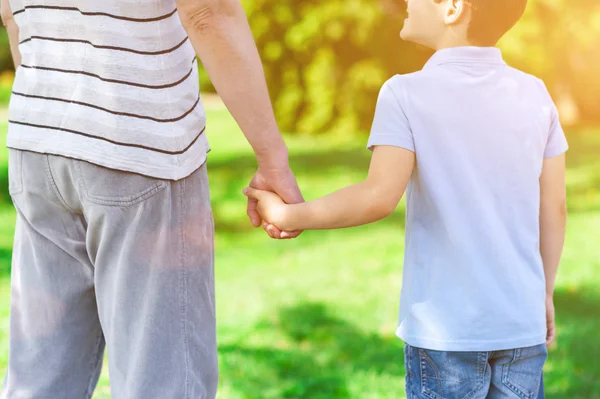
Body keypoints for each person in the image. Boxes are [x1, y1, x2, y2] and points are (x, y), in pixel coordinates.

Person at [244, 0, 567, 397]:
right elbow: (553, 207)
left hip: (446, 336)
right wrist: (544, 293)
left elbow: (377, 197)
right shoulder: (536, 94)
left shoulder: (404, 93)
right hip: (521, 325)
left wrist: (288, 215)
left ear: (453, 8)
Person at [0, 0, 303, 397]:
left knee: (42, 375)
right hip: (137, 144)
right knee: (161, 380)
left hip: (38, 142)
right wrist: (272, 159)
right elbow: (208, 11)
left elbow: (9, 12)